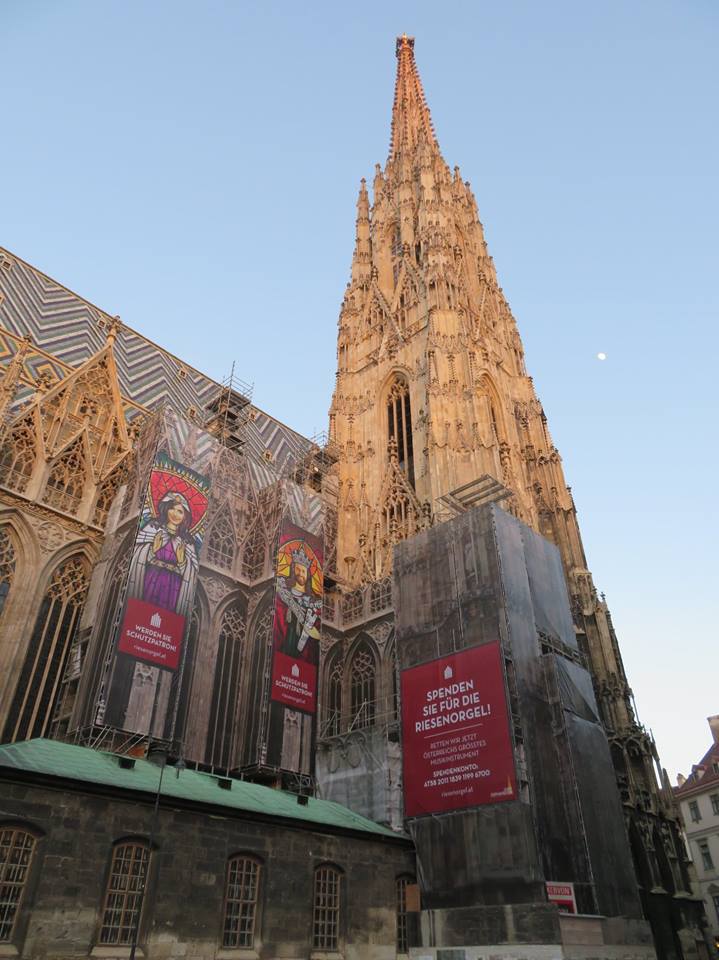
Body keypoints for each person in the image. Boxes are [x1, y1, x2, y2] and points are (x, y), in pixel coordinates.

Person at [126, 490, 199, 617]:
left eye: (180, 511)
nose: (175, 514)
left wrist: (182, 562)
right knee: (141, 614)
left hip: (173, 587)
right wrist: (152, 550)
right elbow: (137, 553)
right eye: (172, 509)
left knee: (166, 618)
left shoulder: (187, 542)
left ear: (185, 517)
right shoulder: (153, 528)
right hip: (150, 578)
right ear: (166, 509)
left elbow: (191, 573)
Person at [275, 546, 321, 660]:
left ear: (308, 575)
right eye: (298, 569)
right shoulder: (283, 589)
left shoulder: (314, 600)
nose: (300, 573)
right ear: (293, 570)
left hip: (304, 655)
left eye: (303, 571)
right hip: (283, 646)